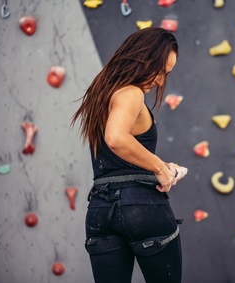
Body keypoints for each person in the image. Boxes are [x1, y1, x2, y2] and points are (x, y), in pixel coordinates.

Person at [71, 27, 188, 283]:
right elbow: (116, 138)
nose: (160, 81)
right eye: (159, 70)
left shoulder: (101, 96)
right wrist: (158, 168)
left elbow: (119, 157)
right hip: (142, 207)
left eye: (166, 75)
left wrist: (161, 166)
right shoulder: (131, 93)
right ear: (142, 56)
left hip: (101, 210)